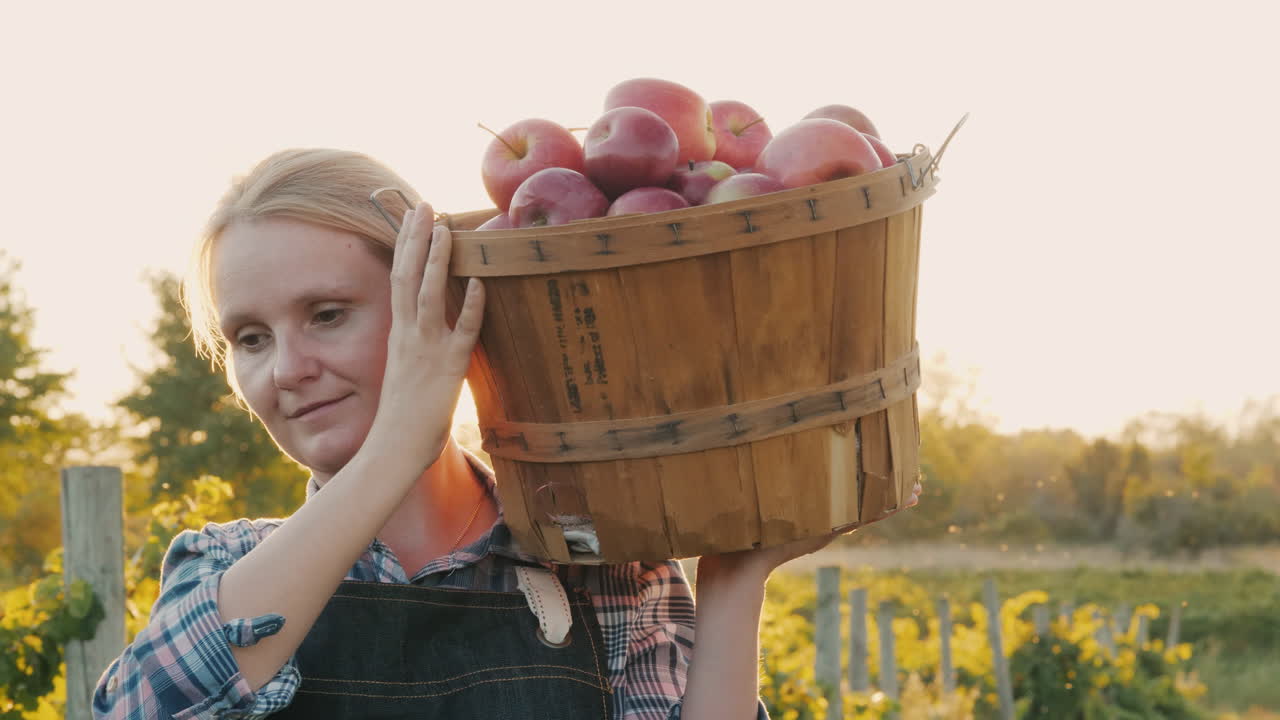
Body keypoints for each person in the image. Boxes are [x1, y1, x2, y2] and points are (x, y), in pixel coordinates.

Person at [93, 148, 919, 720]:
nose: (286, 369)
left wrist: (734, 586)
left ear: (442, 304)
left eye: (328, 315)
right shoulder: (226, 572)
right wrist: (391, 453)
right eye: (250, 338)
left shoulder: (605, 573)